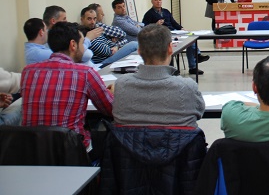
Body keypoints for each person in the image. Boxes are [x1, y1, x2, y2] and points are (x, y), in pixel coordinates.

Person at [21, 21, 114, 155]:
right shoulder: (85, 73)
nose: (84, 48)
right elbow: (110, 109)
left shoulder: (27, 71)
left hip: (32, 150)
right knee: (109, 141)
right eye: (82, 43)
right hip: (71, 150)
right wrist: (111, 93)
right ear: (73, 45)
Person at [113, 24, 205, 126]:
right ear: (170, 48)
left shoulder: (121, 85)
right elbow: (200, 111)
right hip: (177, 141)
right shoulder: (188, 86)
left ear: (138, 51)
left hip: (131, 142)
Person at [142, 0, 209, 75]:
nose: (158, 2)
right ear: (152, 1)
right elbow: (145, 27)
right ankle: (191, 59)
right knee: (173, 46)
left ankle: (193, 65)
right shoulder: (149, 14)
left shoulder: (166, 11)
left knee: (191, 40)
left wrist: (181, 28)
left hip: (174, 32)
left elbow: (173, 22)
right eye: (156, 0)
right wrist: (156, 24)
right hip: (162, 35)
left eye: (160, 0)